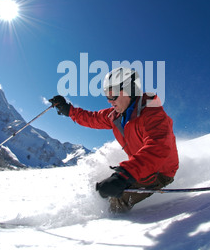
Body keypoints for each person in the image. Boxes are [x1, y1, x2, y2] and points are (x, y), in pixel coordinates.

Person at [49, 67, 179, 213]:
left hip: (159, 171)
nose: (110, 101)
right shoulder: (115, 115)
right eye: (107, 95)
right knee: (102, 190)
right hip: (140, 167)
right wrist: (68, 110)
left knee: (116, 200)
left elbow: (158, 146)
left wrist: (125, 174)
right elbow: (92, 118)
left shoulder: (152, 112)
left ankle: (110, 229)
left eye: (113, 95)